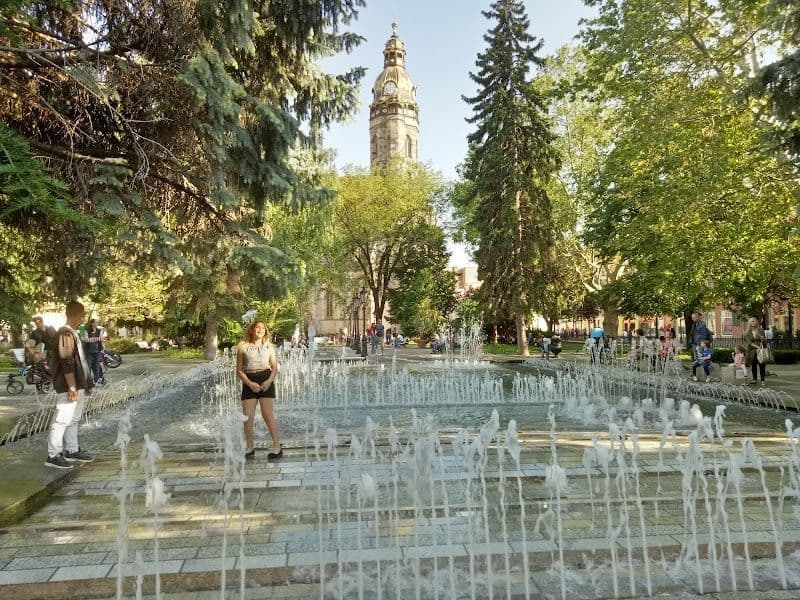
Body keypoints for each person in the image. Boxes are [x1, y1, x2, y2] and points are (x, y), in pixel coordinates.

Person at [45, 301, 94, 469]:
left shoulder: (72, 333)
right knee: (61, 419)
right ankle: (53, 454)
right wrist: (72, 386)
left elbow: (80, 361)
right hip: (68, 386)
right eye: (82, 314)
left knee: (74, 418)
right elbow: (66, 362)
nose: (84, 317)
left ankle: (72, 450)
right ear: (76, 314)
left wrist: (86, 383)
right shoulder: (65, 334)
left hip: (78, 384)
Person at [236, 320, 282, 460]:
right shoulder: (243, 347)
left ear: (265, 331)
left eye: (262, 328)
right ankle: (250, 448)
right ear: (251, 330)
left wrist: (268, 381)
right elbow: (238, 370)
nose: (260, 330)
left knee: (267, 415)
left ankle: (277, 447)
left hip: (266, 379)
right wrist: (249, 383)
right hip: (249, 380)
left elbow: (274, 368)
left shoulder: (269, 347)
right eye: (257, 327)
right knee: (247, 417)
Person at [744, 317, 767, 385]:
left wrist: (760, 336)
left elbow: (764, 340)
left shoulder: (761, 330)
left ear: (757, 322)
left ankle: (763, 380)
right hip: (752, 350)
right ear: (750, 323)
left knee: (762, 364)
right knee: (754, 365)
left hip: (760, 350)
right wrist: (757, 347)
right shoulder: (747, 332)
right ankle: (754, 379)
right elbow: (749, 342)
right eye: (752, 321)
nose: (754, 322)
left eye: (755, 321)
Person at [82, 318, 104, 384]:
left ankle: (96, 380)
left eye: (97, 322)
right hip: (88, 351)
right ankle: (88, 381)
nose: (97, 323)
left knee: (96, 366)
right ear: (92, 323)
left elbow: (101, 338)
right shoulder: (86, 330)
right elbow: (85, 339)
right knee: (88, 367)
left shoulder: (99, 330)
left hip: (97, 351)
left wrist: (92, 339)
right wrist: (97, 339)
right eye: (96, 322)